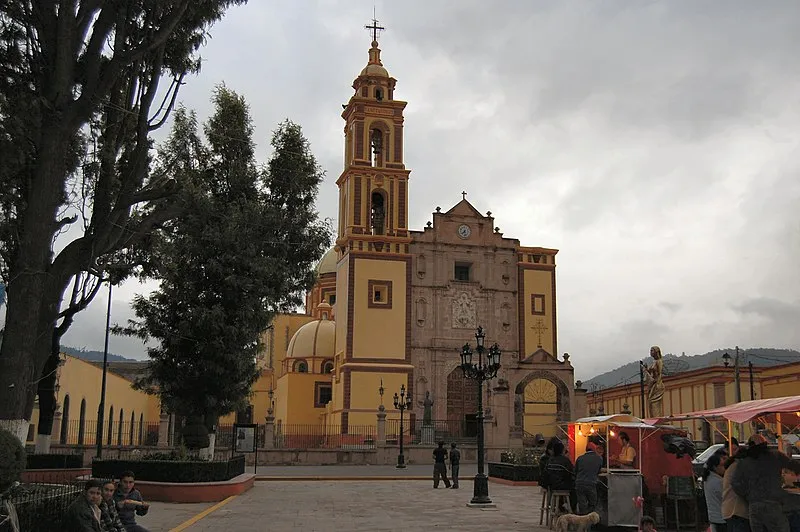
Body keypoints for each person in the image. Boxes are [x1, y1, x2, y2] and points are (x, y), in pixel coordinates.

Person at [731, 434, 800, 532]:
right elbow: (794, 465)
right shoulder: (775, 456)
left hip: (754, 507)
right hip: (773, 505)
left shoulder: (744, 462)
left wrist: (748, 494)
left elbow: (735, 483)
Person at [542, 439, 577, 513]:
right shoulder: (565, 461)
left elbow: (545, 475)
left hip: (551, 487)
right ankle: (569, 509)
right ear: (562, 451)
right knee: (575, 490)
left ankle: (560, 507)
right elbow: (572, 473)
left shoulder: (550, 461)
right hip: (562, 486)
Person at [722, 450, 751, 532]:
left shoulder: (733, 465)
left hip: (730, 510)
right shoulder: (739, 467)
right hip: (738, 511)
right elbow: (741, 487)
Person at [574, 442, 603, 515]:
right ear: (594, 449)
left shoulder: (579, 458)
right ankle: (589, 520)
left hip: (579, 484)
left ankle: (582, 519)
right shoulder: (599, 458)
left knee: (582, 504)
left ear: (586, 449)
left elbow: (576, 471)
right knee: (593, 503)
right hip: (591, 483)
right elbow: (598, 471)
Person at [702, 452, 727, 532]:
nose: (724, 468)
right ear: (715, 467)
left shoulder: (708, 479)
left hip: (713, 517)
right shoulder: (718, 482)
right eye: (722, 465)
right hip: (721, 518)